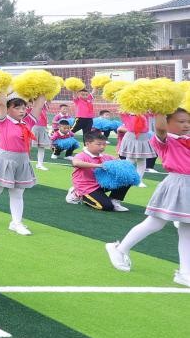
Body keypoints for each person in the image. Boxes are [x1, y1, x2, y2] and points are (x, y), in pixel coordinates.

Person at [106, 108, 190, 287]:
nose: (186, 125)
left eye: (188, 121)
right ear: (167, 122)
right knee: (155, 223)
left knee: (187, 230)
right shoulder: (165, 140)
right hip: (176, 185)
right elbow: (160, 129)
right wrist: (160, 109)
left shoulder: (187, 139)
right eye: (181, 121)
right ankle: (119, 249)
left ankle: (185, 272)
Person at [0, 94, 43, 236]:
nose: (22, 111)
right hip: (4, 159)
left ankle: (16, 223)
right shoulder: (3, 121)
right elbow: (1, 103)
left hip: (22, 160)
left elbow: (39, 105)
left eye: (24, 108)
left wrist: (44, 89)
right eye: (17, 108)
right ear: (8, 109)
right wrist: (2, 88)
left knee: (18, 193)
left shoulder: (27, 122)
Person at [71, 130, 131, 212]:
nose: (102, 147)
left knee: (127, 178)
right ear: (87, 144)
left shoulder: (106, 156)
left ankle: (115, 200)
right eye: (99, 144)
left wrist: (122, 162)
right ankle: (78, 194)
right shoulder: (81, 155)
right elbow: (76, 163)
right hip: (87, 188)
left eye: (104, 144)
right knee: (107, 207)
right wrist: (99, 165)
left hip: (101, 184)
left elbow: (119, 162)